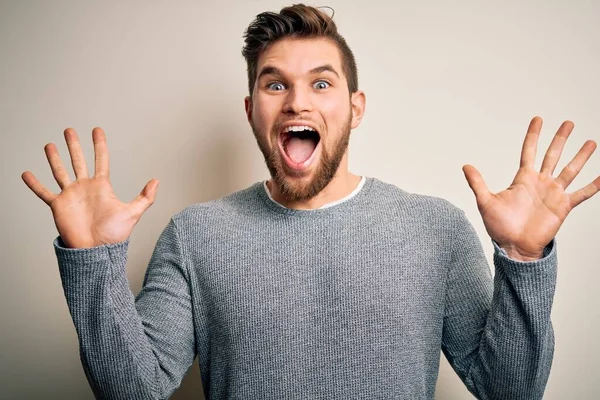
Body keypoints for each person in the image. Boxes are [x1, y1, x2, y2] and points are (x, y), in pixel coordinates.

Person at [21, 4, 599, 400]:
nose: (297, 101)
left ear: (356, 106)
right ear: (252, 110)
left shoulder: (434, 229)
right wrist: (94, 263)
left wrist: (524, 261)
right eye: (275, 84)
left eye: (321, 83)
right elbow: (134, 390)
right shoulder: (196, 235)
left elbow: (511, 388)